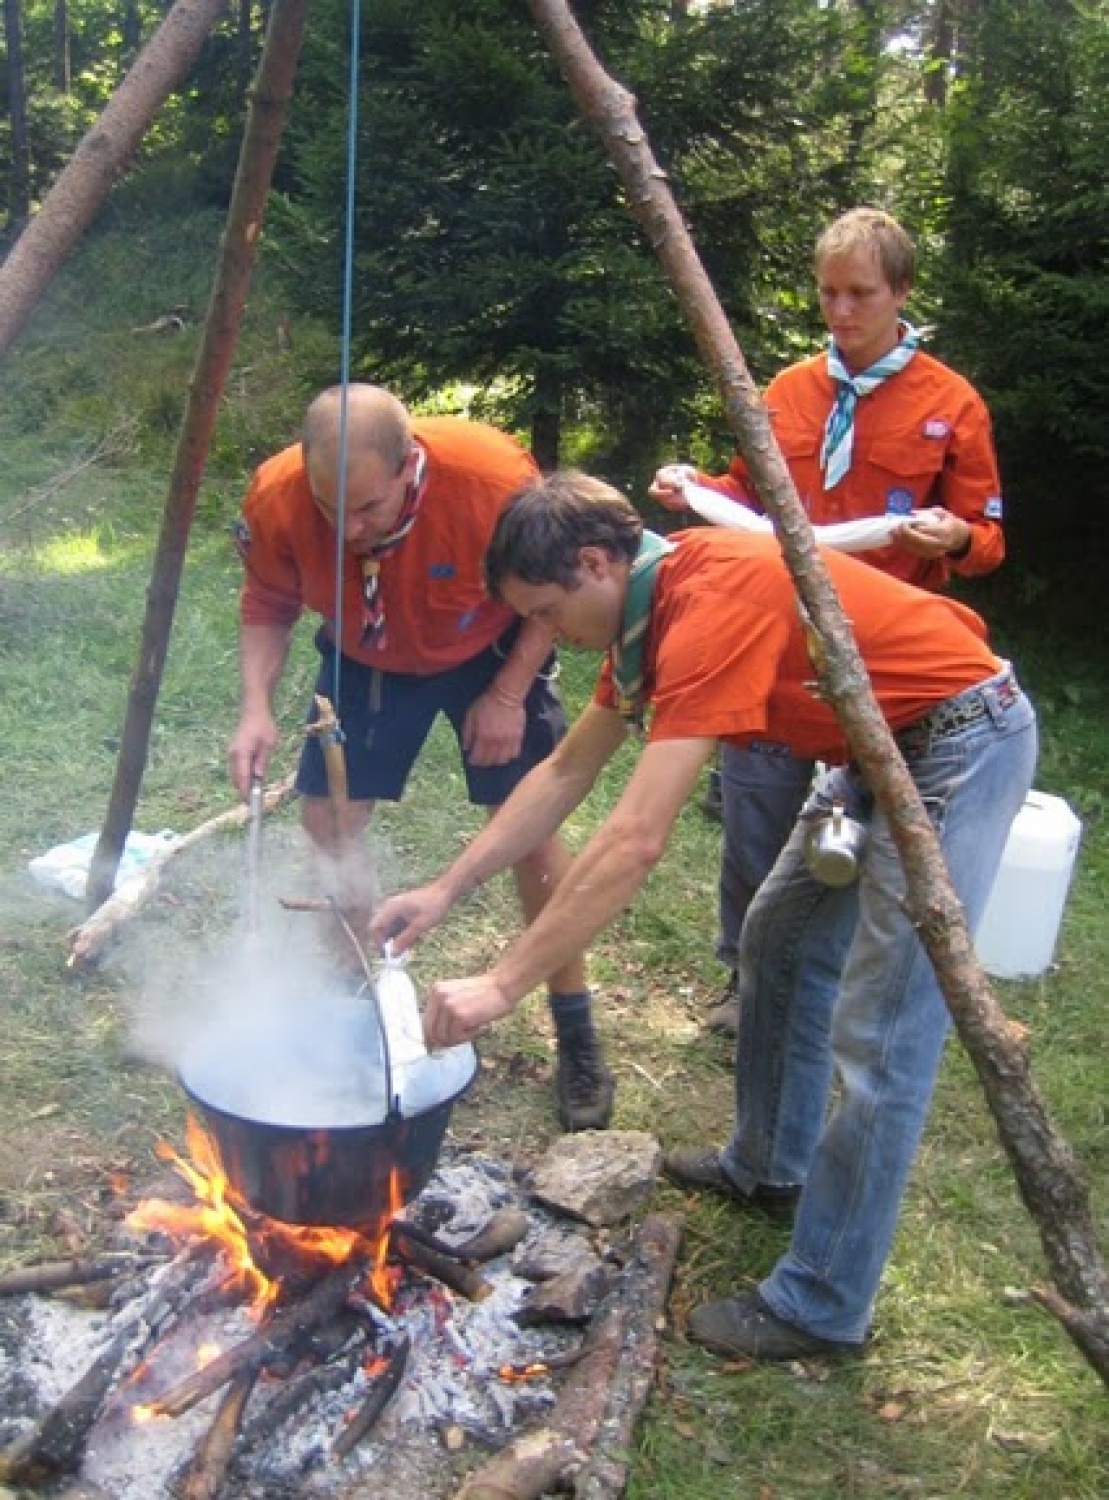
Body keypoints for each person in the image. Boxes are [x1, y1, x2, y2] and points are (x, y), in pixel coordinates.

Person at [370, 472, 1036, 1362]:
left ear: (595, 564)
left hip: (957, 741)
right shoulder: (648, 611)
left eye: (543, 610)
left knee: (883, 1038)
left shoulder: (714, 600)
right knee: (780, 942)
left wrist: (503, 983)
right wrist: (446, 887)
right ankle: (768, 1164)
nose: (545, 633)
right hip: (868, 748)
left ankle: (823, 1301)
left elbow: (636, 838)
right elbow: (566, 772)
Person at [649, 207, 1005, 1034]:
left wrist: (952, 535)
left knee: (869, 829)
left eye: (859, 294)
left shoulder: (951, 403)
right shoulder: (787, 390)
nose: (840, 313)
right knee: (754, 807)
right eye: (827, 294)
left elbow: (986, 539)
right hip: (777, 634)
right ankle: (745, 978)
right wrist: (691, 484)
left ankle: (838, 986)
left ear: (901, 292)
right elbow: (748, 489)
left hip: (885, 650)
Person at [226, 384, 615, 1132]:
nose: (348, 531)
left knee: (529, 832)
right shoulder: (278, 496)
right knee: (328, 819)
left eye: (368, 509)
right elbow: (267, 601)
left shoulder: (492, 480)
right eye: (330, 510)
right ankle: (348, 995)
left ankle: (575, 1026)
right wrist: (253, 709)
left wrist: (506, 694)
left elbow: (551, 589)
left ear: (410, 463)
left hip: (489, 641)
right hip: (364, 652)